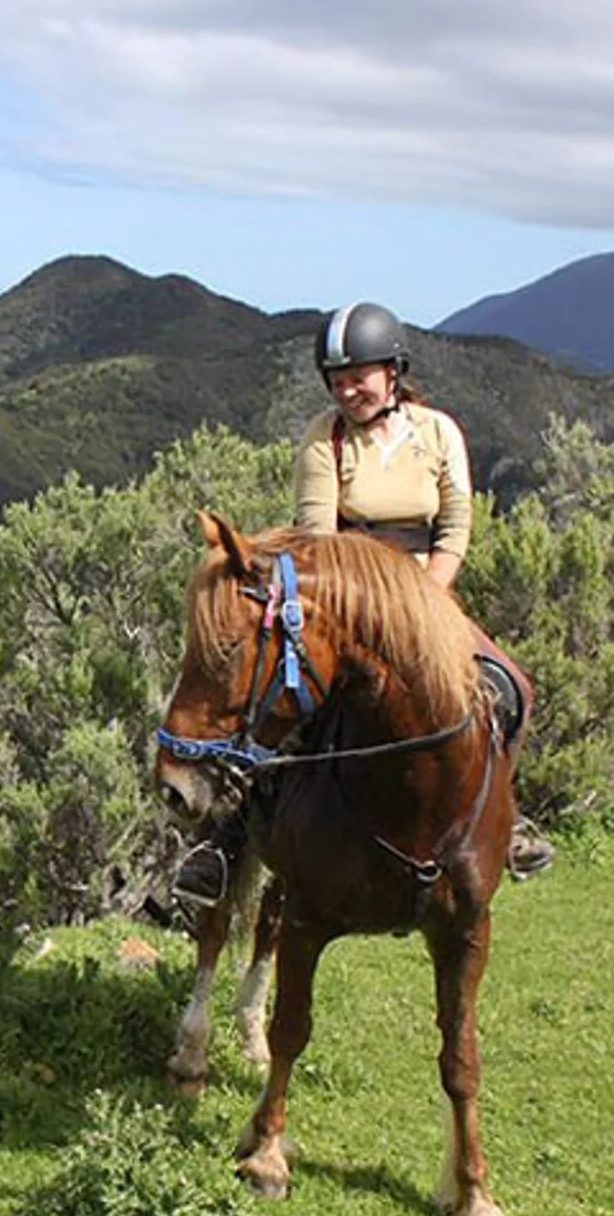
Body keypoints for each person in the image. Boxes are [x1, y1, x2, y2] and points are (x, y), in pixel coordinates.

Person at [172, 301, 555, 904]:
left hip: (429, 592)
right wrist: (372, 607)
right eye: (339, 380)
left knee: (507, 687)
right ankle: (226, 842)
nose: (349, 390)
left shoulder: (438, 433)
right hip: (348, 601)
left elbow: (455, 526)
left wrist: (422, 606)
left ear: (393, 373)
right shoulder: (324, 440)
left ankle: (505, 815)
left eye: (360, 376)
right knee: (282, 706)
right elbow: (319, 539)